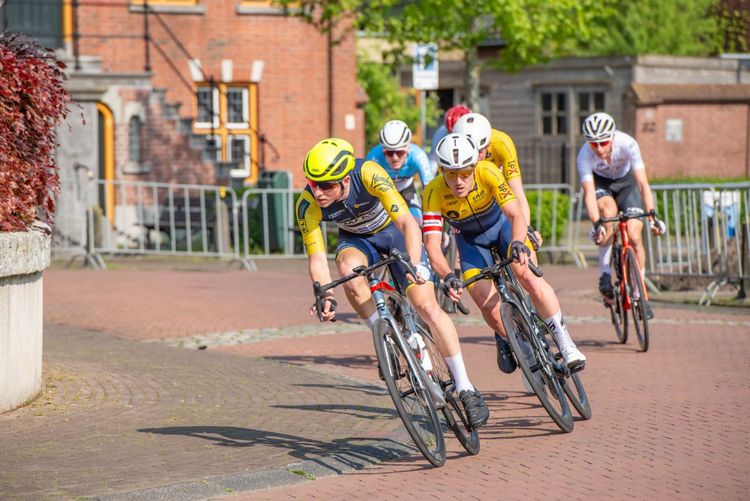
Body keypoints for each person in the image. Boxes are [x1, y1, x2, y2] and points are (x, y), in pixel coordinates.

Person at [296, 137, 489, 428]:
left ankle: (466, 388)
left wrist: (414, 264)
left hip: (393, 232)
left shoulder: (369, 173)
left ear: (345, 179)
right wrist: (326, 294)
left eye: (326, 185)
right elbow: (317, 258)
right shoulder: (307, 204)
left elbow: (407, 223)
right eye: (313, 184)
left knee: (426, 306)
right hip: (358, 241)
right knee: (347, 271)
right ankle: (384, 334)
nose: (318, 192)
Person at [422, 133, 587, 379]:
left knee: (527, 275)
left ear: (474, 167)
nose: (459, 181)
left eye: (465, 173)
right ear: (441, 170)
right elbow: (432, 246)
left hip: (502, 228)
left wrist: (519, 242)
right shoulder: (432, 192)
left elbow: (515, 214)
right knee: (487, 304)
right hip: (470, 242)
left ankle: (566, 343)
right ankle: (524, 352)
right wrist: (447, 276)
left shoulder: (488, 172)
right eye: (451, 174)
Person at [452, 112, 544, 370]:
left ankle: (537, 311)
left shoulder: (502, 143)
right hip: (474, 216)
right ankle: (503, 333)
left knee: (527, 265)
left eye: (481, 149)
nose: (477, 155)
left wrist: (526, 231)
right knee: (489, 286)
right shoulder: (455, 155)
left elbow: (517, 193)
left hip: (501, 206)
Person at [577, 112, 665, 319]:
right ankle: (605, 274)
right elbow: (589, 193)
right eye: (593, 144)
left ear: (612, 137)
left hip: (627, 185)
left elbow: (643, 184)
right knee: (608, 214)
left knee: (634, 235)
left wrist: (652, 216)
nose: (599, 149)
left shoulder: (628, 144)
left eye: (603, 142)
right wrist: (597, 224)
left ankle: (640, 294)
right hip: (602, 185)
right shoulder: (584, 155)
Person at [365, 120, 433, 224]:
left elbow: (430, 189)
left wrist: (432, 219)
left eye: (400, 152)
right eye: (389, 153)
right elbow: (365, 190)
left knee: (417, 222)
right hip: (382, 192)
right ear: (383, 150)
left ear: (408, 148)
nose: (395, 158)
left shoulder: (418, 156)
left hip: (406, 189)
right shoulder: (374, 157)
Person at [428, 104, 472, 171]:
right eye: (450, 133)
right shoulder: (440, 134)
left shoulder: (475, 133)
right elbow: (433, 160)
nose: (454, 138)